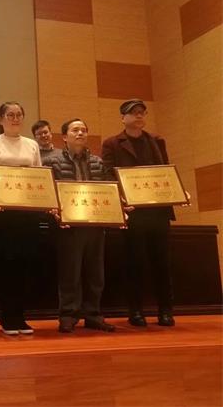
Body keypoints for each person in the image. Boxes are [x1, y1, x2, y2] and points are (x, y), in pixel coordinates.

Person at [102, 99, 175, 327]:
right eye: (134, 113)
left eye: (142, 112)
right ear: (123, 118)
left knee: (162, 263)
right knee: (135, 263)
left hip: (158, 211)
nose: (139, 116)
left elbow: (166, 171)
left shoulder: (157, 140)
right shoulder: (112, 143)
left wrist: (174, 191)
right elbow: (108, 174)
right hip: (133, 212)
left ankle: (165, 311)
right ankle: (135, 311)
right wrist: (123, 198)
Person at [43, 119, 116, 333]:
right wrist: (54, 212)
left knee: (96, 273)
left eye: (84, 130)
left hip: (95, 225)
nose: (80, 133)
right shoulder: (52, 162)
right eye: (75, 130)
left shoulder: (98, 162)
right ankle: (68, 315)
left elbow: (108, 190)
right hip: (68, 227)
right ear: (65, 137)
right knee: (70, 273)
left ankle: (93, 314)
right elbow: (48, 192)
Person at [0, 102, 41, 336]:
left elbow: (39, 175)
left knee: (24, 264)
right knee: (4, 264)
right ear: (0, 119)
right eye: (10, 115)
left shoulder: (32, 144)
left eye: (19, 115)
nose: (15, 118)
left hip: (26, 213)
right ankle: (7, 317)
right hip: (1, 212)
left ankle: (20, 317)